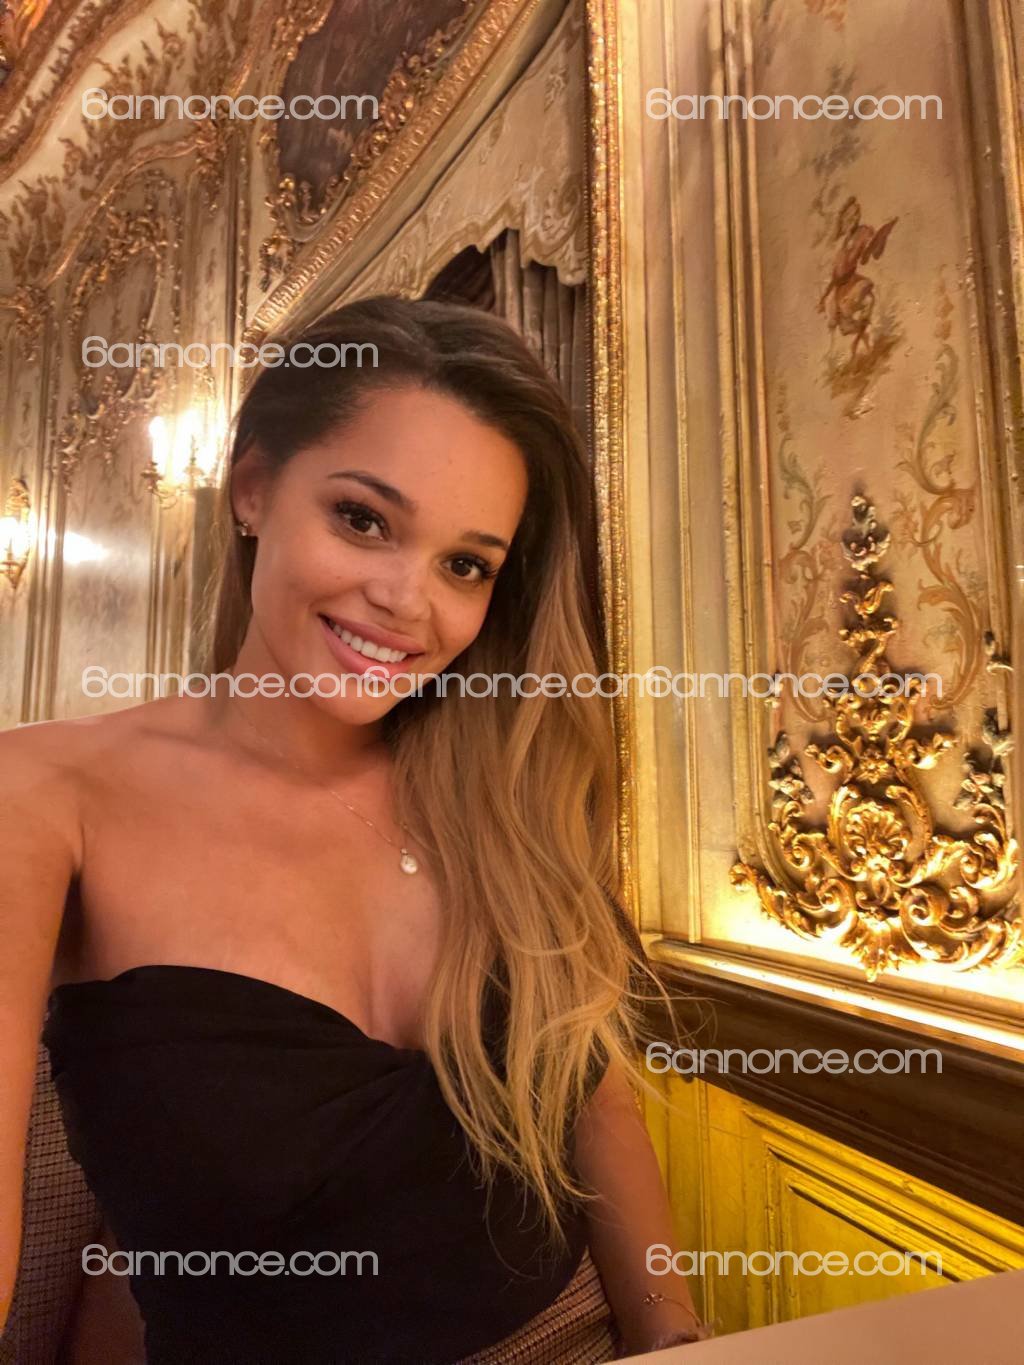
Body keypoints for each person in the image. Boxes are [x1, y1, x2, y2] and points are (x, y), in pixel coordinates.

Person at [0, 296, 705, 1362]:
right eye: (364, 520)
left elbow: (596, 1103)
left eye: (465, 565)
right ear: (251, 489)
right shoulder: (45, 795)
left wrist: (677, 1340)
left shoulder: (504, 793)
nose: (405, 602)